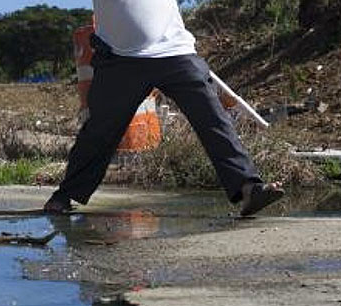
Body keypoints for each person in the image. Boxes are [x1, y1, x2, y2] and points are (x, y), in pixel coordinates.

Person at [44, 0, 284, 216]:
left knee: (212, 118)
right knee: (100, 130)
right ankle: (65, 195)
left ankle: (248, 187)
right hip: (120, 59)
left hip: (175, 51)